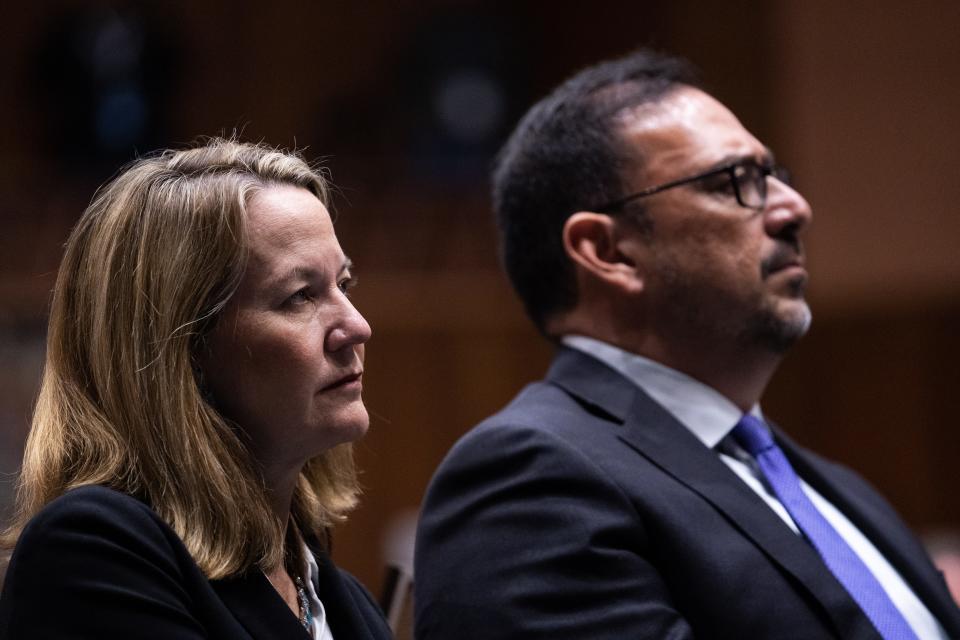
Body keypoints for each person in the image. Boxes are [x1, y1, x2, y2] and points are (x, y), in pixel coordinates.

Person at [414, 50, 960, 639]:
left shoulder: (839, 489)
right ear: (610, 252)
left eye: (777, 177)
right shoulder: (528, 482)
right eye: (735, 183)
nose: (794, 209)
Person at [0, 139, 393, 639]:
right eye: (300, 297)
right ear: (184, 351)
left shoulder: (345, 603)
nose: (357, 327)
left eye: (344, 284)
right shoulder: (91, 554)